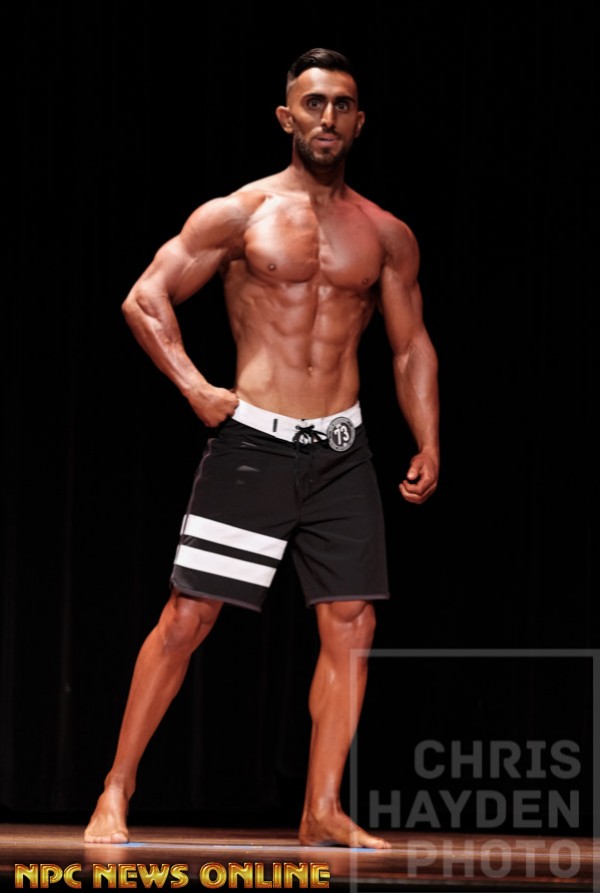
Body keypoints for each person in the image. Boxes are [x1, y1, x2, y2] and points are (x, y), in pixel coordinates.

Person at [84, 47, 439, 850]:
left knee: (352, 625)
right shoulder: (240, 213)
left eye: (341, 104)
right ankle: (116, 786)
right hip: (255, 445)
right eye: (313, 103)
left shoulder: (386, 234)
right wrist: (194, 387)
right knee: (188, 617)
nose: (327, 116)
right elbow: (145, 298)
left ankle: (321, 808)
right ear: (287, 117)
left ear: (359, 122)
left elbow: (410, 345)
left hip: (343, 451)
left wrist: (430, 437)